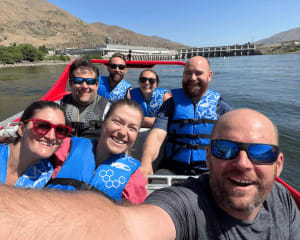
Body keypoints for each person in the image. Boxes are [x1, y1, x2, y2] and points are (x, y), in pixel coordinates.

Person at [0, 109, 299, 240]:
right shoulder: (186, 206)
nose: (244, 163)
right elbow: (127, 227)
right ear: (208, 157)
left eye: (261, 153)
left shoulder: (284, 201)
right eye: (225, 149)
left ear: (279, 163)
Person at [140, 56, 233, 179]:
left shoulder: (221, 107)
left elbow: (239, 134)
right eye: (188, 73)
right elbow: (157, 135)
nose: (192, 78)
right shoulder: (170, 105)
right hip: (173, 169)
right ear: (183, 75)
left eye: (198, 73)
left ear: (209, 76)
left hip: (209, 171)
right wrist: (146, 163)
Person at [47, 99, 147, 204]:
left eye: (132, 128)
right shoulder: (66, 147)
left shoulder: (134, 179)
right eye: (117, 122)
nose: (123, 132)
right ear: (103, 123)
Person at [0, 101, 71, 188]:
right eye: (42, 126)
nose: (51, 137)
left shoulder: (51, 179)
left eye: (60, 130)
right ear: (22, 129)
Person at [60, 59, 111, 139]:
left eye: (90, 82)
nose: (84, 86)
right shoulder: (57, 107)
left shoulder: (109, 111)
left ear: (97, 85)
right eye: (78, 81)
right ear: (70, 84)